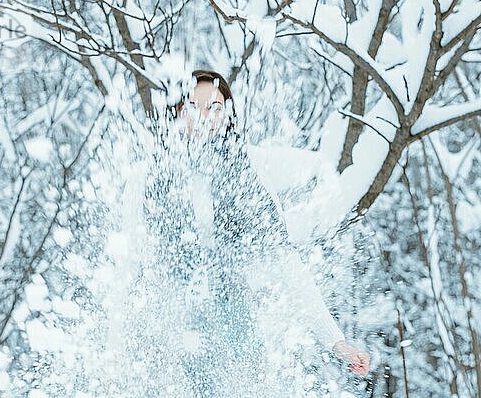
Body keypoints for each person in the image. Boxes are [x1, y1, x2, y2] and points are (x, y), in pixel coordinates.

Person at [119, 69, 370, 395]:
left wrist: (337, 342)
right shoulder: (148, 177)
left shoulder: (247, 171)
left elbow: (287, 266)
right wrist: (116, 357)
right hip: (172, 332)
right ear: (178, 111)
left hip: (238, 330)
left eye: (216, 107)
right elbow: (125, 273)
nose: (207, 117)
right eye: (195, 107)